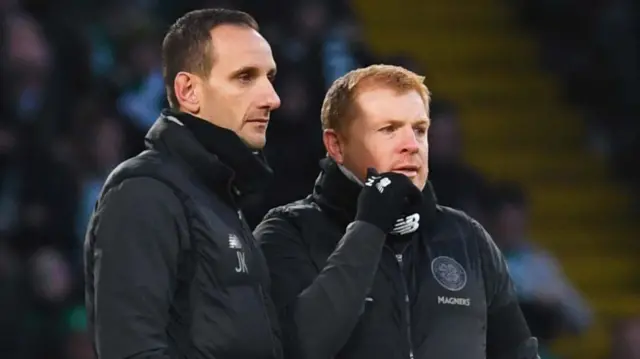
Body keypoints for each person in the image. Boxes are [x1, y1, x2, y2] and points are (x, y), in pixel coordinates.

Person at [254, 64, 540, 359]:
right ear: (336, 145)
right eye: (388, 129)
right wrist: (370, 226)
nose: (411, 145)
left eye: (419, 130)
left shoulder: (466, 238)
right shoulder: (287, 232)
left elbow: (518, 352)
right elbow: (296, 348)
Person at [84, 8, 283, 359]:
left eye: (270, 77)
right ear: (189, 90)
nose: (271, 98)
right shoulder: (145, 193)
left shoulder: (220, 196)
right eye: (245, 77)